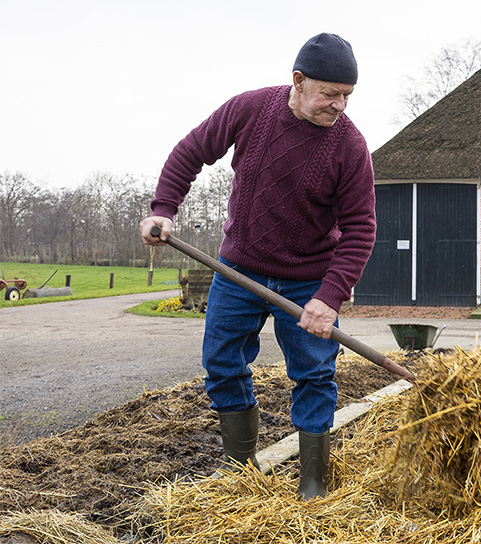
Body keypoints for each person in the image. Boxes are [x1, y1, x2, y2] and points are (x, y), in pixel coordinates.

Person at [139, 33, 376, 500]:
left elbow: (360, 229)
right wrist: (164, 209)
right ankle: (241, 471)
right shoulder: (250, 109)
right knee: (222, 364)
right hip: (238, 272)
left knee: (314, 374)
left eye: (347, 95)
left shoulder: (350, 147)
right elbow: (191, 151)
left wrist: (328, 299)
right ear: (299, 81)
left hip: (307, 279)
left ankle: (313, 482)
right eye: (330, 93)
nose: (339, 105)